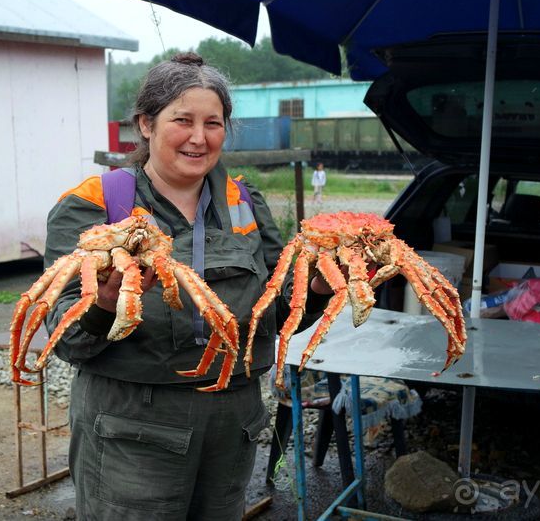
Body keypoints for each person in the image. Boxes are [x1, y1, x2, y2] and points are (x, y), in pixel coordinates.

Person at [44, 52, 336, 520]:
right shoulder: (95, 205)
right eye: (182, 120)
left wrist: (317, 289)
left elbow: (276, 314)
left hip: (232, 422)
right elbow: (67, 340)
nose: (199, 138)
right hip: (132, 427)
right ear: (145, 124)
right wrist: (100, 304)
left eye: (213, 123)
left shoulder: (244, 202)